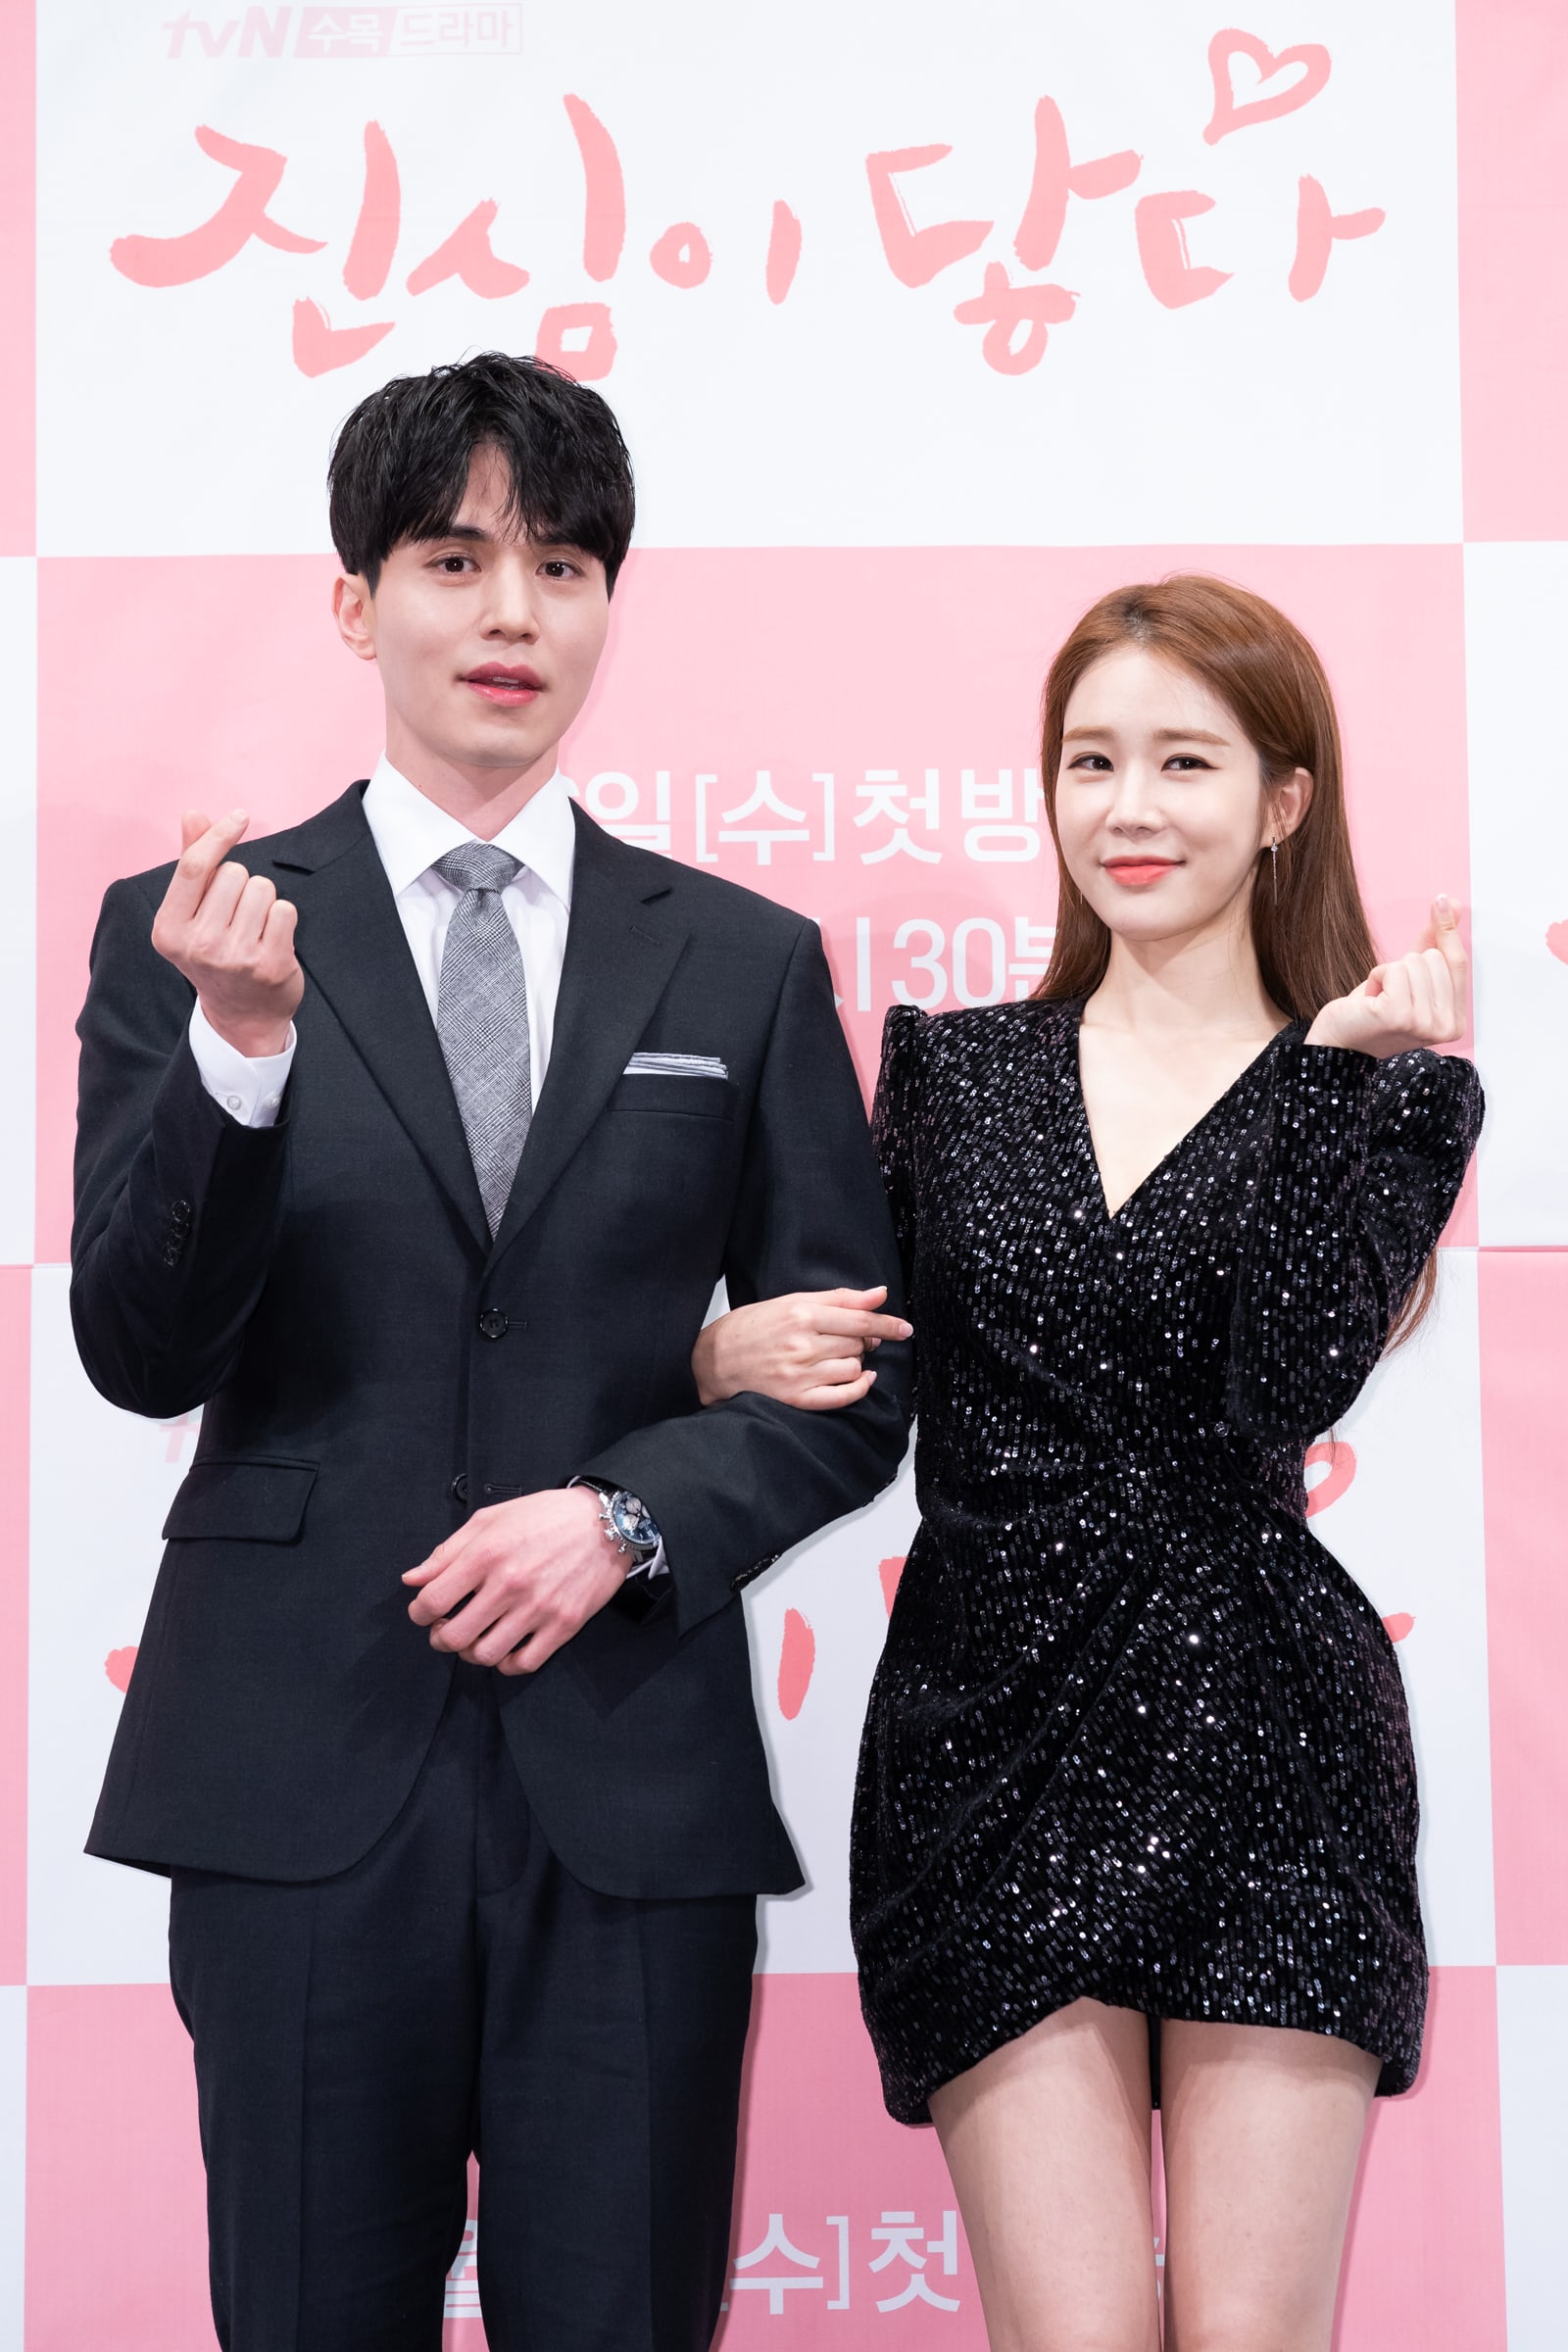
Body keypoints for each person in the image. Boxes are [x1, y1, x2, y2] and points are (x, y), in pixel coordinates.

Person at [70, 350, 912, 2352]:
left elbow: (851, 1371)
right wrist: (239, 1056)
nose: (512, 612)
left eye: (562, 565)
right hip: (292, 1761)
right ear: (354, 602)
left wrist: (627, 1513)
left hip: (625, 1778)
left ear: (612, 600)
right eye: (453, 560)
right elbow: (141, 1349)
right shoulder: (195, 933)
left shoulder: (740, 958)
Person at [693, 575, 1483, 2352]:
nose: (1131, 807)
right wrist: (715, 1352)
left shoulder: (1388, 1091)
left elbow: (1284, 1386)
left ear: (1283, 800)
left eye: (1186, 762)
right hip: (989, 1740)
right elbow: (866, 1373)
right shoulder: (952, 1076)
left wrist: (1327, 1073)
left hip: (1270, 1748)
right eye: (1091, 760)